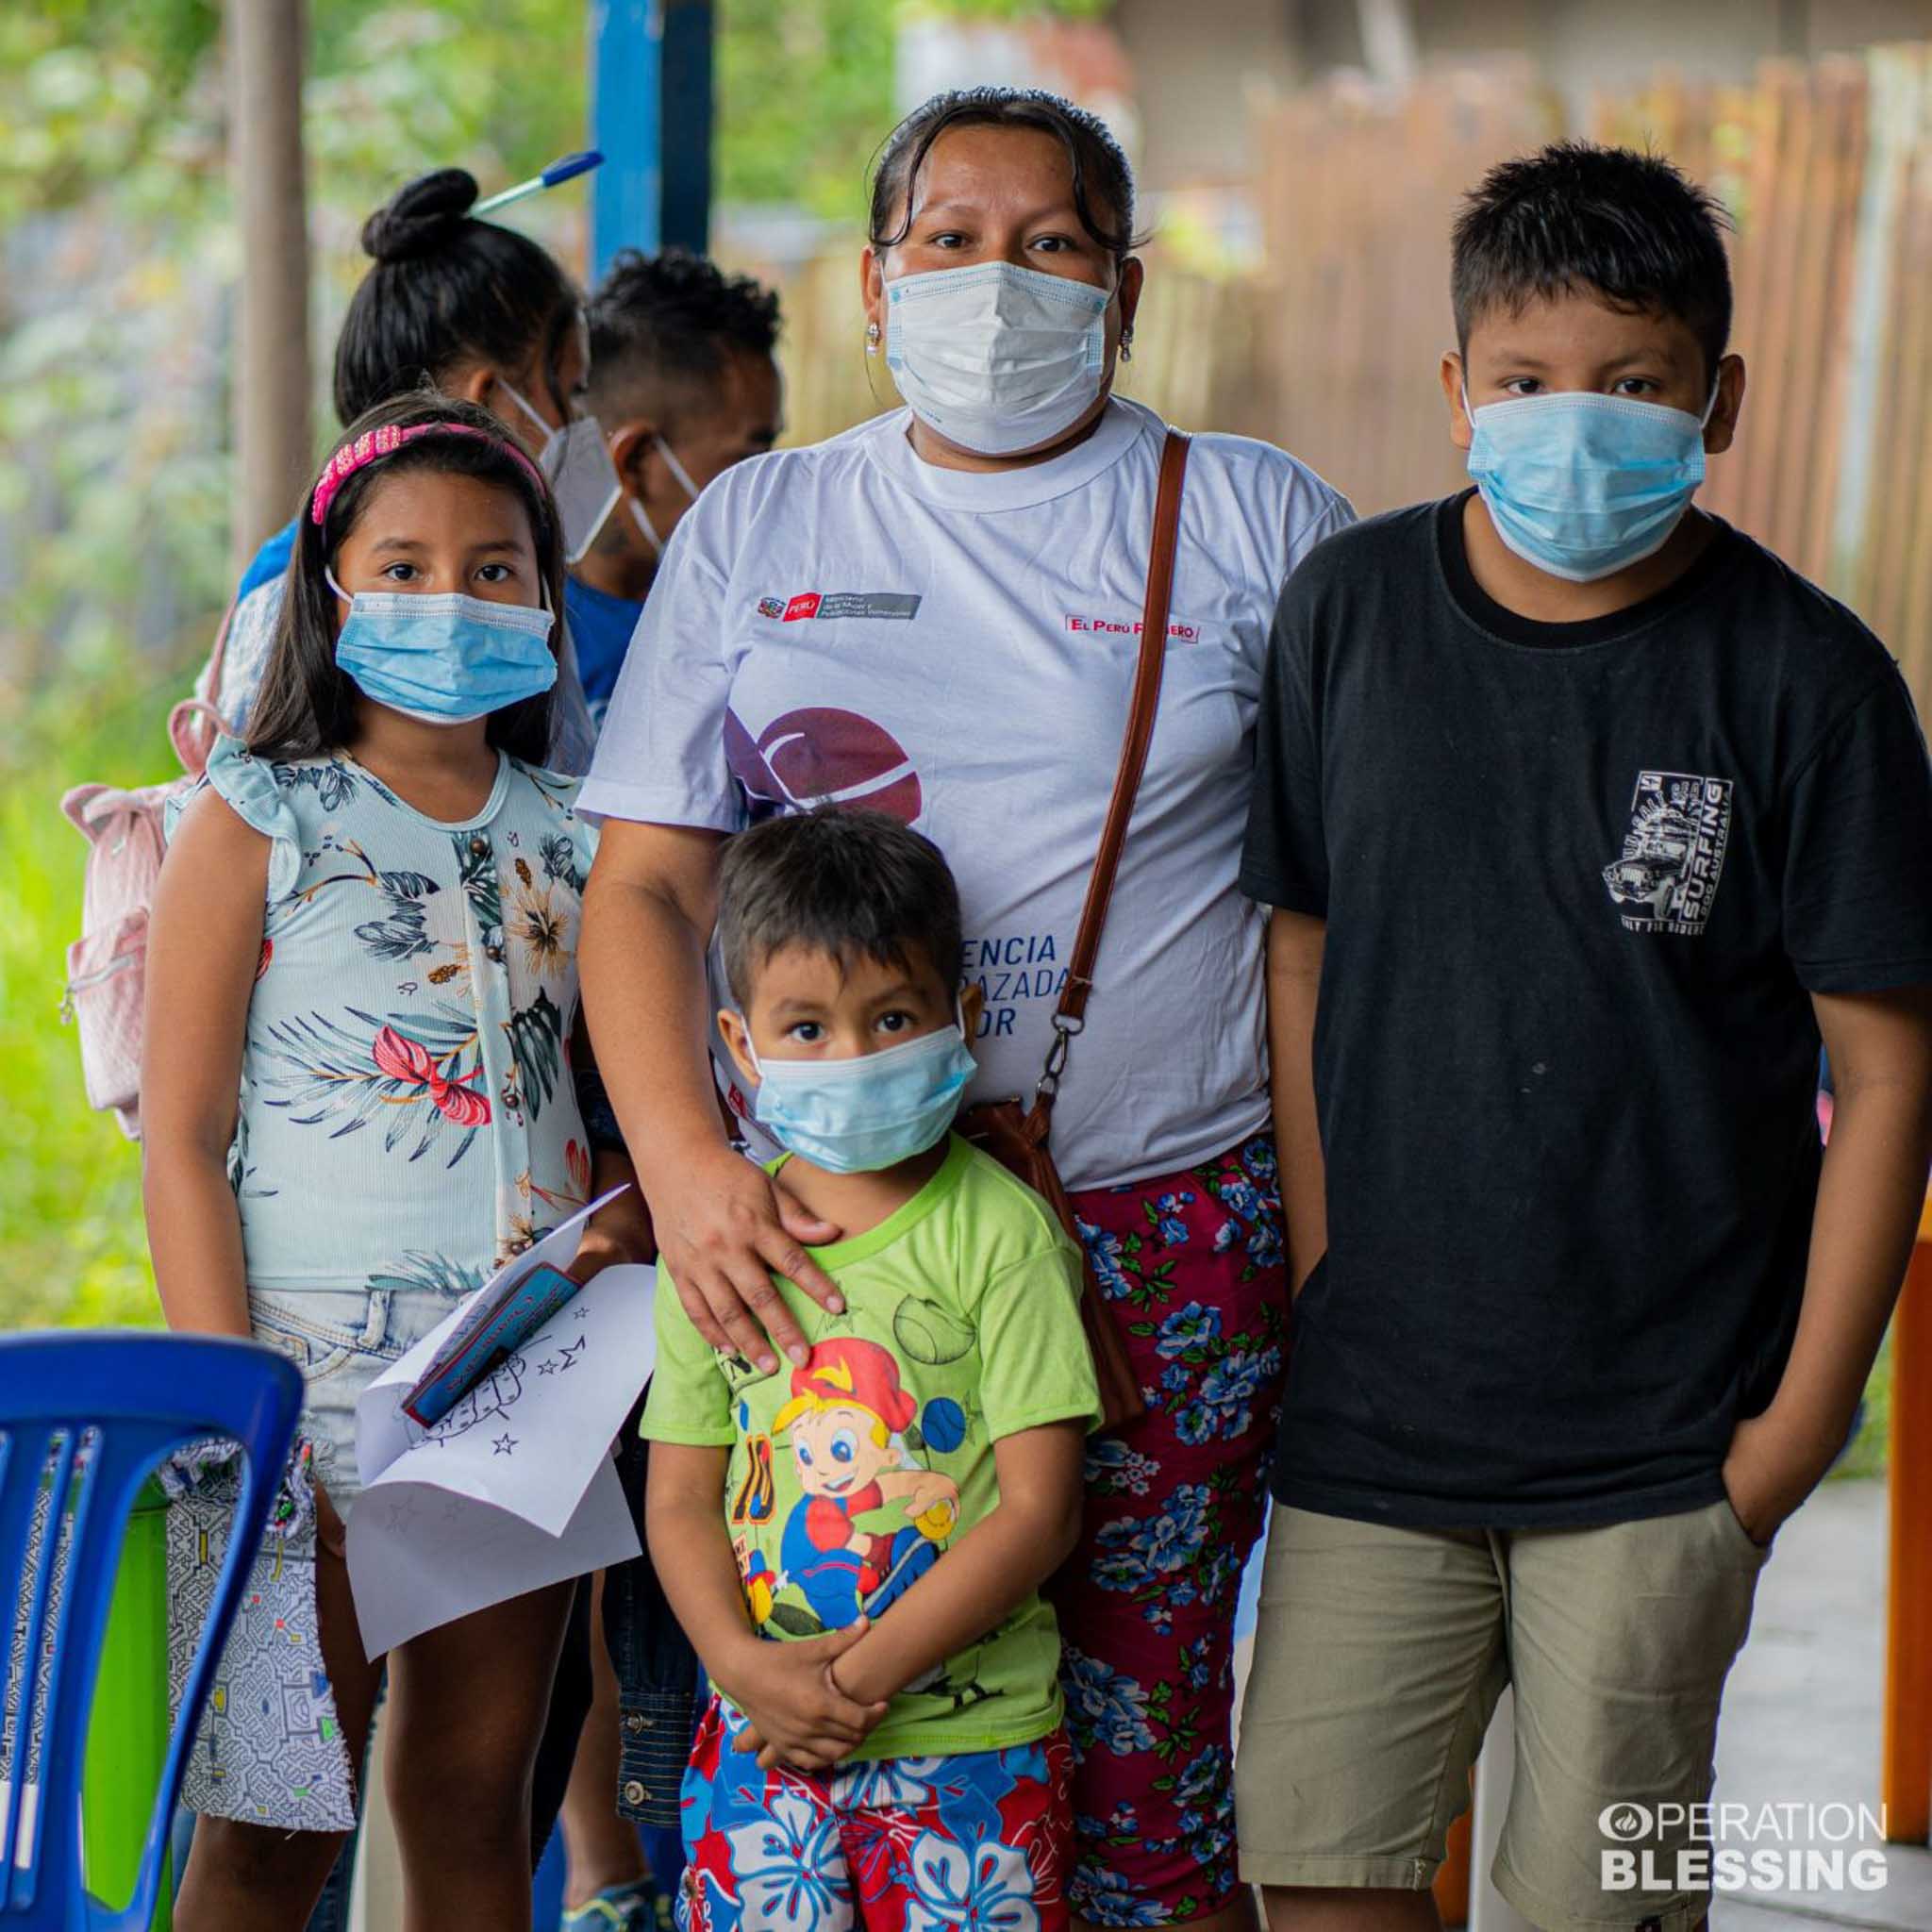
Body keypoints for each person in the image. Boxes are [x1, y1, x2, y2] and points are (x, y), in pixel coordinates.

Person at [579, 84, 1349, 1932]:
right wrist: (691, 1172)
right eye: (950, 242)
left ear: (1126, 284)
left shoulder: (1248, 520)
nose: (994, 284)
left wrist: (1334, 1261)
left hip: (1159, 1227)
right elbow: (647, 883)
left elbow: (1343, 920)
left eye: (1049, 244)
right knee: (832, 1759)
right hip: (816, 1246)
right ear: (871, 279)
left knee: (1145, 1760)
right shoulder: (765, 523)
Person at [1235, 141, 1932, 1932]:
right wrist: (1327, 1273)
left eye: (1632, 385)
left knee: (1597, 1907)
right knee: (1319, 1876)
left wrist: (1788, 1435)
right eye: (1529, 382)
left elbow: (1884, 1068)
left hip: (1661, 1448)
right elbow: (1297, 960)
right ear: (1456, 389)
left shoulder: (1808, 677)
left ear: (1718, 396)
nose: (1576, 424)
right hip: (1371, 1431)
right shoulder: (1345, 616)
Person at [142, 393, 653, 1932]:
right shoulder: (256, 815)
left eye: (497, 569)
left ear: (546, 598)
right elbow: (180, 1132)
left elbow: (635, 1088)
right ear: (329, 586)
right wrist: (233, 1406)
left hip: (526, 1383)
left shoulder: (588, 830)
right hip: (287, 1400)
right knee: (263, 1831)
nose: (454, 596)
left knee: (473, 1809)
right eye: (407, 563)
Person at [641, 807, 1098, 1932]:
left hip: (974, 1751)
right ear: (740, 1047)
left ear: (962, 1018)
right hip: (755, 1745)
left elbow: (1039, 1511)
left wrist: (837, 1690)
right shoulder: (712, 1251)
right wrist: (745, 1672)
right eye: (805, 1027)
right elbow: (680, 1498)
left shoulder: (1003, 1236)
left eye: (892, 1017)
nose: (852, 1054)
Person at [205, 168, 600, 774]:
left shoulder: (525, 603)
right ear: (490, 401)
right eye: (571, 394)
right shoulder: (290, 601)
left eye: (491, 571)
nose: (582, 423)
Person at [566, 248, 784, 718]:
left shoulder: (752, 617)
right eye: (750, 456)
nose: (771, 483)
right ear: (639, 460)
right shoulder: (535, 641)